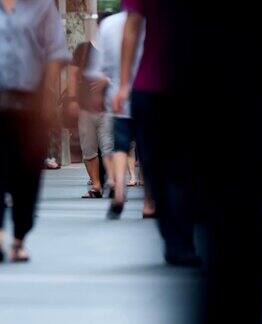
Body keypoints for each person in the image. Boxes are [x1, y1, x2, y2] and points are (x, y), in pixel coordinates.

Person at [0, 0, 69, 263]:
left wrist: (48, 100)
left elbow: (55, 54)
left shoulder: (42, 7)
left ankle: (19, 238)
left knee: (27, 169)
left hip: (31, 99)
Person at [114, 1, 201, 267]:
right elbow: (132, 26)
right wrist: (125, 83)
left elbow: (131, 27)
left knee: (168, 168)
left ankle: (179, 238)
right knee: (163, 167)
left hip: (167, 87)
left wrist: (126, 83)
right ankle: (178, 238)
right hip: (159, 85)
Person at [83, 11, 154, 220]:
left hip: (117, 98)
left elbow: (97, 70)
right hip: (146, 93)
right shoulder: (148, 21)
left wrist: (97, 94)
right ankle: (149, 203)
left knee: (120, 146)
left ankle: (120, 192)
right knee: (146, 149)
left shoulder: (108, 25)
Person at [68, 42, 115, 199]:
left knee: (108, 145)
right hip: (85, 107)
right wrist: (72, 99)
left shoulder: (113, 46)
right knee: (88, 148)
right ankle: (96, 185)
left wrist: (107, 81)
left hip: (108, 107)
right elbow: (73, 74)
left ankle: (113, 183)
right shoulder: (83, 48)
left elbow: (122, 73)